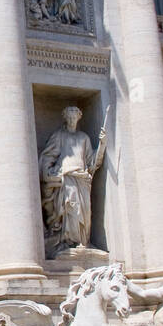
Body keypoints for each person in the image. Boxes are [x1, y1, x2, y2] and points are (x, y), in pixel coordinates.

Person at [39, 105, 106, 251]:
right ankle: (68, 242)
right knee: (70, 209)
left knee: (84, 213)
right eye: (69, 117)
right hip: (67, 178)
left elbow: (92, 162)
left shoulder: (84, 138)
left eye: (74, 117)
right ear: (65, 118)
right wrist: (49, 173)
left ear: (79, 117)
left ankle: (82, 241)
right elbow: (48, 156)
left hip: (82, 179)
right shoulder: (59, 136)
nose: (71, 120)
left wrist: (102, 144)